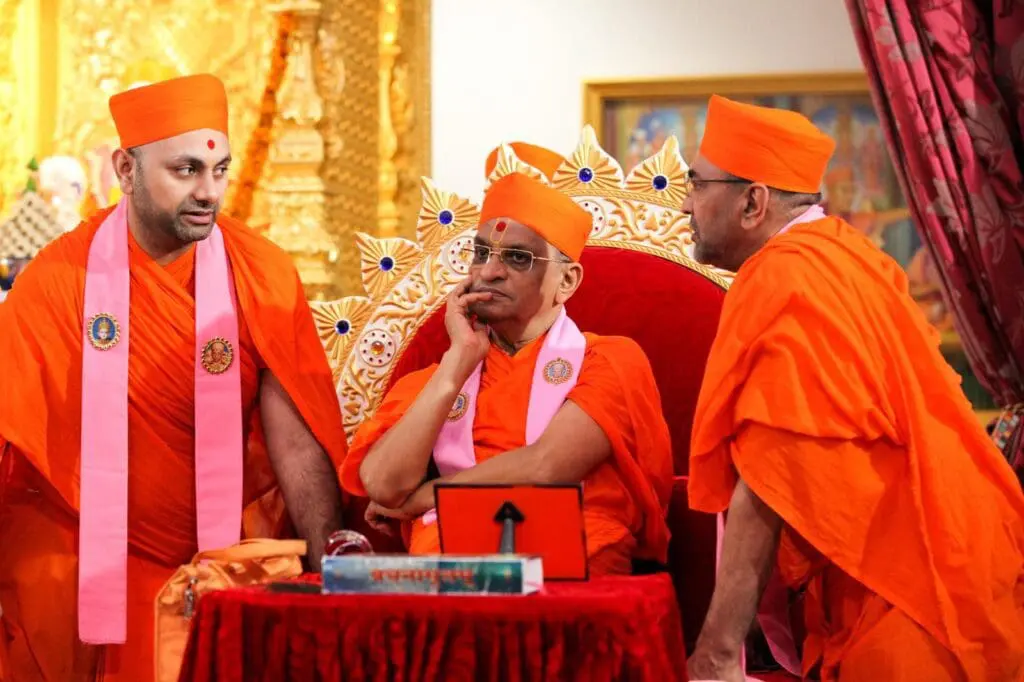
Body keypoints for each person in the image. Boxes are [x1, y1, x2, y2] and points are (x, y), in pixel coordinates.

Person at [0, 74, 349, 681]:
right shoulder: (57, 280)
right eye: (185, 170)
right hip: (88, 543)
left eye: (220, 171)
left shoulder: (261, 273)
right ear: (126, 170)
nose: (208, 192)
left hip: (219, 550)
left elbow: (295, 437)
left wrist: (331, 573)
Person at [682, 95, 1024, 681]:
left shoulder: (784, 275)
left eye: (697, 184)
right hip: (963, 558)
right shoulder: (851, 254)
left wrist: (715, 655)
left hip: (908, 599)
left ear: (752, 202)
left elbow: (772, 472)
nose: (685, 203)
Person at [338, 142, 674, 575]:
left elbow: (546, 466)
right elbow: (383, 485)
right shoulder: (436, 377)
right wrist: (457, 364)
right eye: (481, 253)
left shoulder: (609, 359)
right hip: (451, 568)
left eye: (517, 258)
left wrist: (428, 497)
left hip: (575, 564)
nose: (489, 271)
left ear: (567, 280)